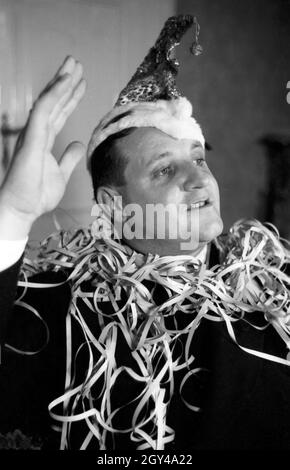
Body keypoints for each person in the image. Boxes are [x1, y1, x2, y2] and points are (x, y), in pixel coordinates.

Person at [0, 15, 289, 451]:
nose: (200, 179)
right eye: (165, 168)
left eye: (199, 157)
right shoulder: (58, 304)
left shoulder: (273, 287)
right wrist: (12, 215)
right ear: (114, 206)